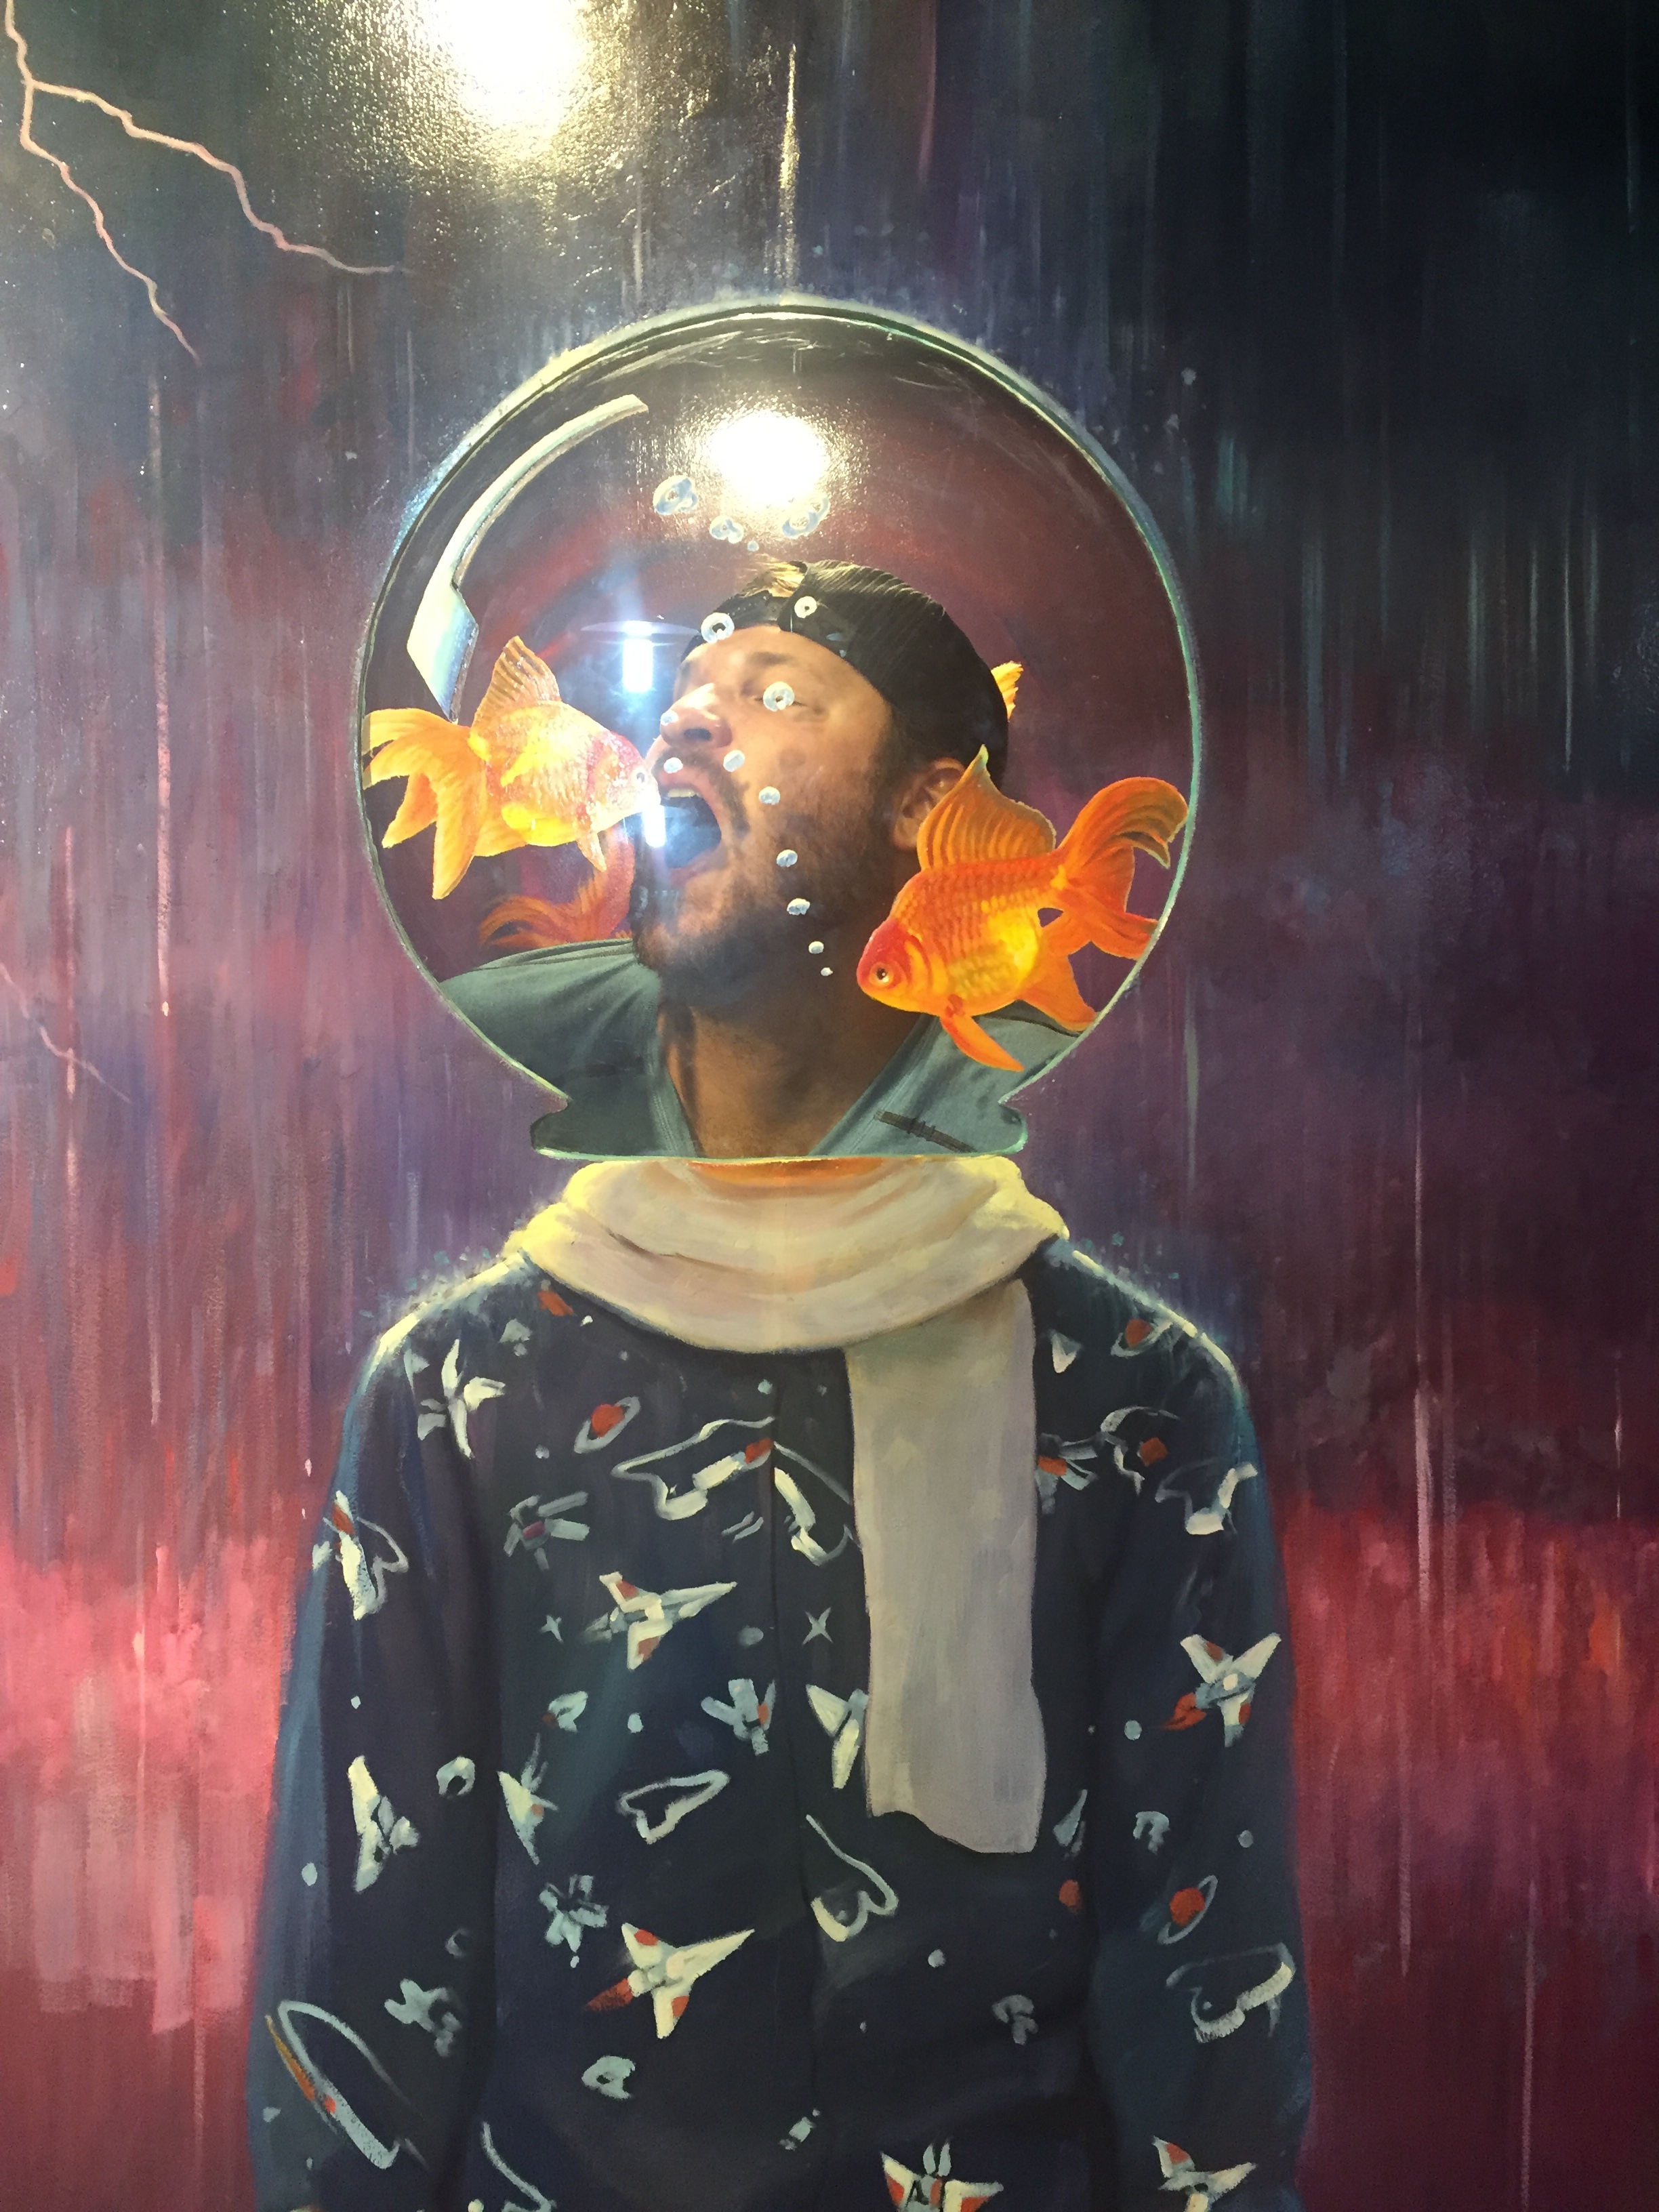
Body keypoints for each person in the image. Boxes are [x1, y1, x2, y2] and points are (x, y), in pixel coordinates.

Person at [249, 562, 1310, 2212]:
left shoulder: (1132, 1399)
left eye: (777, 692)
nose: (687, 717)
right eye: (687, 685)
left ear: (928, 810)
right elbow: (359, 2010)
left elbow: (1207, 2022)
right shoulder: (462, 1390)